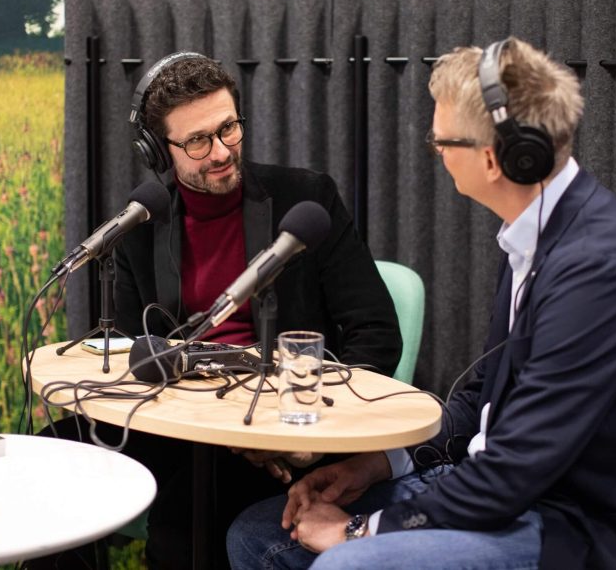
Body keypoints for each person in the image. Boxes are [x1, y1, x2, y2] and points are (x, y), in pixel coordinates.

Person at [226, 37, 616, 570]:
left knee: (346, 565)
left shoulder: (595, 274)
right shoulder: (535, 234)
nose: (438, 153)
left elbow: (513, 473)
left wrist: (361, 532)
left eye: (440, 141)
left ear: (495, 158)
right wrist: (378, 466)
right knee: (258, 535)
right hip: (504, 490)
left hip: (577, 525)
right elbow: (483, 401)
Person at [38, 53, 401, 569]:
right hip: (176, 424)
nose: (221, 152)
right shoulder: (139, 223)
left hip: (275, 426)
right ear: (159, 152)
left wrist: (306, 428)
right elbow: (124, 353)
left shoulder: (305, 200)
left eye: (228, 128)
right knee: (52, 460)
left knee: (192, 525)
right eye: (197, 141)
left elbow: (376, 333)